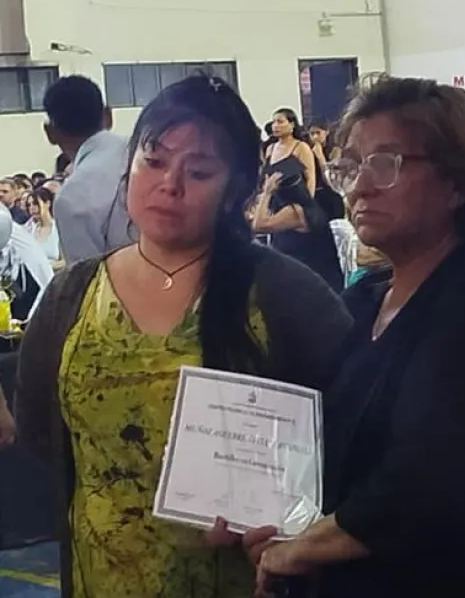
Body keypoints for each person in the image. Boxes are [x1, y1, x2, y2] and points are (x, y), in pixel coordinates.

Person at [14, 75, 352, 598]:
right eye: (153, 160)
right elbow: (41, 431)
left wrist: (292, 518)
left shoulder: (284, 295)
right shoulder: (72, 297)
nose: (169, 183)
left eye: (198, 170)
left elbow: (357, 434)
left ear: (236, 188)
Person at [251, 77, 465, 598]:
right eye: (351, 166)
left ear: (457, 182)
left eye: (384, 164)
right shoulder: (365, 302)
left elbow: (428, 479)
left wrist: (301, 548)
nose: (359, 186)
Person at [45, 75, 133, 264]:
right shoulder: (150, 154)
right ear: (108, 115)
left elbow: (87, 284)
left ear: (50, 133)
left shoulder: (71, 199)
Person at [254, 108, 344, 291]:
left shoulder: (301, 148)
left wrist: (303, 204)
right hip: (277, 205)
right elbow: (265, 179)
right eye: (274, 122)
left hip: (297, 203)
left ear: (292, 124)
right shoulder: (271, 148)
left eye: (280, 121)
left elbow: (310, 181)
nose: (276, 126)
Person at [24, 188, 60, 263]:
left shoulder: (60, 229)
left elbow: (67, 261)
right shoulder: (27, 229)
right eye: (29, 205)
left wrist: (45, 268)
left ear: (48, 203)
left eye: (35, 203)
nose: (32, 208)